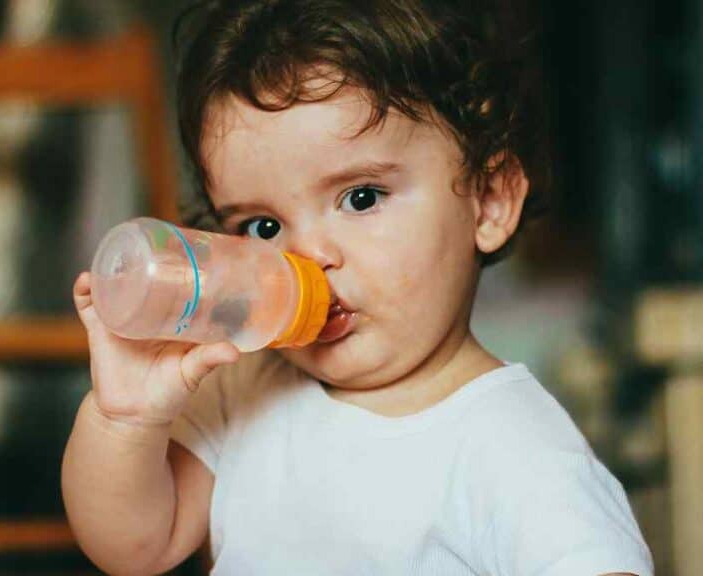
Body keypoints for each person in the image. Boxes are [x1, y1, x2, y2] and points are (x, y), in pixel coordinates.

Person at [61, 0, 654, 574]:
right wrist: (125, 421)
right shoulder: (239, 388)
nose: (307, 257)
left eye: (361, 197)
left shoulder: (513, 448)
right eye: (262, 227)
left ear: (489, 201)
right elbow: (134, 549)